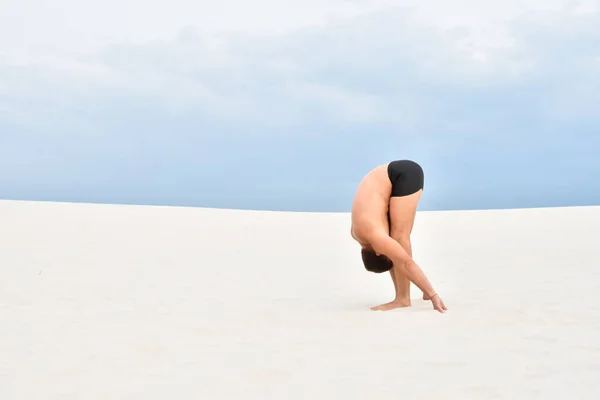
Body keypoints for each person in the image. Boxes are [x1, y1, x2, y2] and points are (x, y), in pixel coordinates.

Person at [350, 159, 447, 313]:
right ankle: (410, 291)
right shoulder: (357, 234)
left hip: (402, 175)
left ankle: (403, 299)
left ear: (378, 252)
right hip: (387, 173)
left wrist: (433, 294)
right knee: (396, 243)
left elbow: (405, 262)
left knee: (399, 237)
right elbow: (398, 259)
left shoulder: (375, 237)